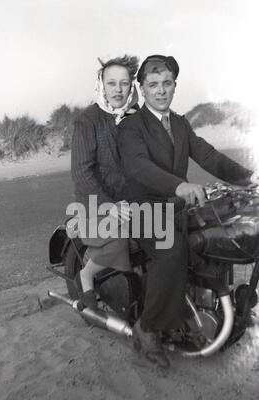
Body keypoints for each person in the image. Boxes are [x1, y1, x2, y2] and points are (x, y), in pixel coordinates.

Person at [117, 54, 257, 368]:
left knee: (214, 233)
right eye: (152, 84)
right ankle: (148, 328)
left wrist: (249, 178)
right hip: (142, 208)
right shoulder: (131, 127)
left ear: (175, 86)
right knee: (172, 249)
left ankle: (220, 306)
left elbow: (207, 155)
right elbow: (138, 166)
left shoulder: (179, 123)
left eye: (167, 83)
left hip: (175, 205)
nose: (160, 90)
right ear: (141, 88)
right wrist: (179, 186)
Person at [71, 55, 139, 310]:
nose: (118, 90)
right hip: (95, 203)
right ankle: (87, 274)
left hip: (129, 198)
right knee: (119, 237)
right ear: (102, 85)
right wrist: (109, 205)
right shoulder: (87, 120)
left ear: (131, 85)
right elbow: (81, 172)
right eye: (112, 83)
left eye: (124, 83)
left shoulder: (136, 116)